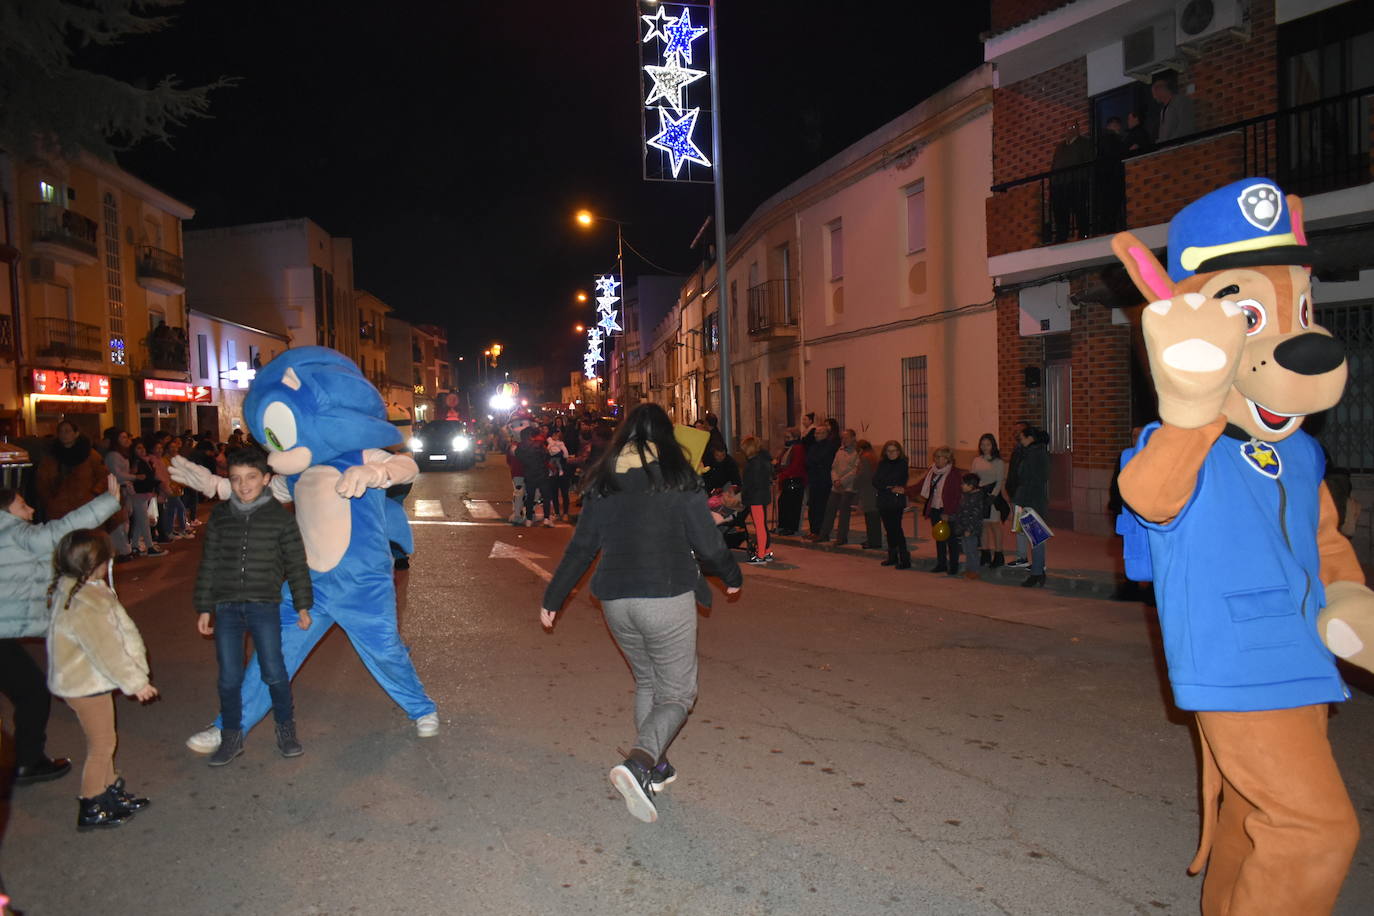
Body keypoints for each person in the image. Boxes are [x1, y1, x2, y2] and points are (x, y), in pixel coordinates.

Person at [540, 403, 743, 824]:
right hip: (665, 596)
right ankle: (638, 763)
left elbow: (581, 548)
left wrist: (553, 599)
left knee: (648, 681)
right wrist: (731, 574)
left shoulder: (604, 482)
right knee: (679, 693)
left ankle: (658, 768)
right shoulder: (678, 480)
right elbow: (707, 543)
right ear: (666, 436)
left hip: (615, 601)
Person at [194, 448, 314, 766]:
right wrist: (205, 607)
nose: (243, 485)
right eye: (235, 479)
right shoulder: (220, 516)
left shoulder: (279, 518)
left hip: (264, 606)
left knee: (274, 671)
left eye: (250, 477)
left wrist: (303, 605)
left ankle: (286, 732)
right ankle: (231, 737)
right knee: (229, 678)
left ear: (266, 479)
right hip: (227, 608)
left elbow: (296, 564)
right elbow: (209, 564)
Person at [0, 477, 120, 789]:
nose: (29, 511)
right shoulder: (13, 532)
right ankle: (28, 762)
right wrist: (107, 501)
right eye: (22, 506)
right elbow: (60, 532)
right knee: (32, 694)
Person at [45, 529, 158, 830]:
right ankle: (92, 803)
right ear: (96, 562)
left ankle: (109, 792)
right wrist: (136, 683)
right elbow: (106, 650)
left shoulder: (77, 588)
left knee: (105, 739)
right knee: (102, 744)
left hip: (82, 682)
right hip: (85, 685)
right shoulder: (88, 601)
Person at [35, 420, 107, 521]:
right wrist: (50, 503)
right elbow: (42, 482)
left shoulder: (90, 455)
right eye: (61, 431)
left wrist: (94, 494)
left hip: (85, 507)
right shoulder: (51, 458)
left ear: (76, 433)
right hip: (59, 510)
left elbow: (103, 477)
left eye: (67, 431)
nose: (63, 434)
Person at [1012, 427, 1051, 587]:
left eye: (1021, 438)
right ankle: (1037, 571)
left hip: (1031, 500)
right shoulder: (1036, 453)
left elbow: (1029, 476)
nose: (1020, 442)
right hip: (1029, 498)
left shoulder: (1033, 454)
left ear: (1030, 438)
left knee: (1036, 538)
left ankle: (1037, 572)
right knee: (1035, 538)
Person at [916, 446, 962, 574]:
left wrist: (948, 512)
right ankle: (941, 563)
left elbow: (957, 496)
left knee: (951, 539)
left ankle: (954, 566)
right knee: (939, 536)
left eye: (938, 457)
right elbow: (920, 485)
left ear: (947, 459)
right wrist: (906, 490)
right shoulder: (933, 471)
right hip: (935, 508)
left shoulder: (954, 473)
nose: (935, 459)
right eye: (935, 456)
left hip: (947, 509)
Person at [1050, 121, 1094, 242]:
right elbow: (1054, 165)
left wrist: (1084, 176)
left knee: (1079, 207)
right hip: (1060, 184)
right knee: (1061, 210)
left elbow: (1089, 161)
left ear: (1078, 129)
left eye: (1073, 127)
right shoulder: (1060, 147)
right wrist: (1054, 181)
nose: (1070, 129)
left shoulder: (1084, 143)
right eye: (1068, 127)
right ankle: (1061, 235)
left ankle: (1083, 233)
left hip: (1077, 181)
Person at [815, 429, 859, 545]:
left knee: (844, 512)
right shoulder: (839, 451)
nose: (844, 440)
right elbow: (833, 467)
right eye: (842, 438)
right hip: (836, 486)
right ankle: (824, 534)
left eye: (846, 438)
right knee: (830, 509)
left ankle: (842, 537)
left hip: (849, 487)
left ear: (853, 438)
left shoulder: (857, 452)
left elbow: (855, 470)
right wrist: (835, 479)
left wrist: (842, 481)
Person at [971, 433, 1007, 568]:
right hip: (980, 494)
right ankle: (985, 554)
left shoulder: (998, 462)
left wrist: (993, 496)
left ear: (993, 445)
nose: (985, 447)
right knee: (983, 525)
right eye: (982, 444)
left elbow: (999, 481)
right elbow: (973, 478)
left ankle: (998, 554)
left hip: (993, 496)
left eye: (988, 444)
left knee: (995, 525)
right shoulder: (977, 460)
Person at [873, 441, 910, 569]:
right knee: (889, 530)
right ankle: (892, 556)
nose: (891, 453)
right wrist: (888, 487)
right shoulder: (882, 463)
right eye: (888, 451)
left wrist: (886, 485)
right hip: (884, 500)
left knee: (897, 529)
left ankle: (904, 558)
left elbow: (898, 480)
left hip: (896, 501)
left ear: (899, 452)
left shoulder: (902, 464)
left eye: (894, 451)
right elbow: (876, 481)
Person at [127, 440, 167, 556]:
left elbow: (150, 477)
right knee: (143, 521)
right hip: (138, 494)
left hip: (145, 493)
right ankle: (150, 547)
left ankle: (134, 546)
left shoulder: (145, 461)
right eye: (138, 448)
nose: (142, 450)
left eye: (143, 448)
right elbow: (134, 476)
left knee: (140, 521)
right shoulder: (135, 462)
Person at [739, 436, 773, 564]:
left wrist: (744, 495)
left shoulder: (754, 463)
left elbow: (750, 483)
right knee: (762, 525)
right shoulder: (762, 460)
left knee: (759, 527)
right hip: (761, 496)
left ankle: (761, 555)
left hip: (756, 498)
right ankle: (766, 550)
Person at [950, 473, 991, 580]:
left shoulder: (977, 498)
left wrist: (969, 529)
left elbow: (976, 516)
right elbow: (961, 511)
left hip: (971, 529)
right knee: (966, 550)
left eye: (964, 484)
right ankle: (969, 569)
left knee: (972, 550)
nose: (961, 486)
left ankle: (975, 571)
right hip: (964, 527)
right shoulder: (966, 496)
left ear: (971, 485)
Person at [803, 419, 839, 537]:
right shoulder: (813, 446)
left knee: (822, 507)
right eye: (815, 433)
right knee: (812, 506)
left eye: (819, 433)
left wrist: (815, 462)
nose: (816, 435)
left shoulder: (830, 446)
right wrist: (814, 462)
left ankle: (821, 531)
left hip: (824, 480)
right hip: (814, 480)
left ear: (825, 434)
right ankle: (813, 530)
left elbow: (823, 460)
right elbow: (808, 461)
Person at [1003, 421, 1031, 566]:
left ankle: (1038, 560)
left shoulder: (1029, 451)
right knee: (1019, 526)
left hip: (1026, 496)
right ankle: (1022, 557)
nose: (1016, 434)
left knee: (1030, 527)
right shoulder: (1017, 449)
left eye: (1019, 431)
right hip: (1016, 493)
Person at [515, 426, 554, 527]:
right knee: (546, 496)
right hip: (541, 473)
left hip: (529, 474)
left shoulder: (520, 447)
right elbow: (547, 456)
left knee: (530, 497)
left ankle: (528, 519)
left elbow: (518, 458)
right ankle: (546, 518)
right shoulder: (539, 445)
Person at [774, 428, 806, 536]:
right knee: (783, 503)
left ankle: (790, 527)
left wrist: (783, 474)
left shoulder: (797, 448)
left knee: (792, 505)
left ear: (795, 437)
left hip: (794, 479)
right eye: (785, 437)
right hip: (786, 478)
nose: (786, 439)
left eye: (788, 437)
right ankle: (783, 525)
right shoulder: (787, 449)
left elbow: (796, 465)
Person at [854, 440, 883, 550]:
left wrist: (855, 483)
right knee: (873, 517)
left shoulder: (865, 457)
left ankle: (873, 541)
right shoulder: (873, 456)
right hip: (873, 489)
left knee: (871, 517)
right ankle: (873, 540)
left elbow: (863, 475)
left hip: (868, 490)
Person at [1152, 72, 1194, 143]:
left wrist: (1170, 142)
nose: (1154, 96)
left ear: (1162, 90)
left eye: (1155, 93)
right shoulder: (1163, 111)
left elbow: (1185, 128)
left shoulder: (1181, 102)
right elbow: (1163, 135)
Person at [546, 428, 572, 521]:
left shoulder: (563, 444)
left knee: (565, 493)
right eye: (555, 434)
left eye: (558, 433)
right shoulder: (548, 444)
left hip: (563, 472)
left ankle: (565, 513)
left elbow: (566, 456)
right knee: (554, 493)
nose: (557, 435)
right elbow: (546, 456)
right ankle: (557, 512)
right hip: (553, 472)